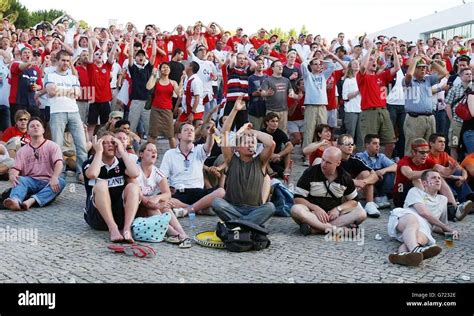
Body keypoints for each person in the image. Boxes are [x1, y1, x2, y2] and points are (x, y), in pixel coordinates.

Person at [212, 97, 276, 225]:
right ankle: (248, 224)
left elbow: (271, 143)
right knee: (216, 202)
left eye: (253, 142)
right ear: (237, 147)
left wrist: (251, 131)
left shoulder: (260, 162)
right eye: (247, 142)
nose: (251, 145)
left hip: (254, 209)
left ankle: (237, 223)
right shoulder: (231, 160)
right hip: (233, 208)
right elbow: (224, 134)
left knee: (270, 207)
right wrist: (235, 110)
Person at [387, 170, 458, 266]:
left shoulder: (443, 200)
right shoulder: (415, 191)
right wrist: (446, 228)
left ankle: (401, 256)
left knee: (419, 238)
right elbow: (423, 212)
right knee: (413, 222)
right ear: (424, 183)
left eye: (439, 178)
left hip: (425, 227)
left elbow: (439, 225)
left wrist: (450, 233)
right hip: (406, 218)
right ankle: (416, 249)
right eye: (433, 178)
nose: (438, 180)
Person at [291, 146, 367, 235]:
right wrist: (316, 208)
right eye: (323, 160)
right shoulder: (310, 172)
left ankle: (315, 229)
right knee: (296, 209)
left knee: (361, 213)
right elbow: (297, 199)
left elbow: (354, 201)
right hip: (312, 214)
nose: (323, 164)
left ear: (338, 163)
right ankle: (336, 230)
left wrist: (338, 209)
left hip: (333, 216)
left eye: (328, 162)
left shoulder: (345, 177)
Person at [82, 132, 141, 242]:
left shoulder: (121, 163)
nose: (110, 145)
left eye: (113, 142)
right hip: (97, 216)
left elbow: (135, 173)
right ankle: (113, 228)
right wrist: (98, 151)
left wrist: (122, 150)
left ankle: (126, 228)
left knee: (133, 187)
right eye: (105, 143)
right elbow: (93, 174)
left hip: (120, 216)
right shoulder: (89, 163)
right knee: (101, 184)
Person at [160, 122, 225, 217]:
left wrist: (210, 134)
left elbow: (209, 146)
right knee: (161, 199)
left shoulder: (199, 150)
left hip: (198, 193)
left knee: (221, 192)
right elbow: (162, 176)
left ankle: (187, 209)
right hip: (179, 192)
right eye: (186, 130)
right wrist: (168, 189)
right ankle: (198, 209)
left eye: (192, 130)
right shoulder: (170, 153)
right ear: (179, 135)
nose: (189, 132)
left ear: (194, 135)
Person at [135, 142, 192, 248]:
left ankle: (182, 233)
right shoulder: (135, 171)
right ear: (141, 154)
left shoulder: (157, 172)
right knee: (154, 207)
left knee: (164, 204)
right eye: (150, 150)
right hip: (136, 206)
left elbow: (167, 193)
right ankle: (174, 234)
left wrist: (158, 197)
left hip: (150, 204)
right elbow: (140, 197)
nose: (153, 153)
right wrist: (156, 204)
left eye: (155, 151)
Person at [3, 117, 66, 211]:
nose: (35, 127)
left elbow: (59, 163)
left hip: (48, 181)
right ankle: (15, 201)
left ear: (43, 130)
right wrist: (13, 175)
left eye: (38, 125)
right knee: (19, 179)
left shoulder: (53, 146)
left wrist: (55, 177)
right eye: (32, 126)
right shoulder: (22, 151)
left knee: (61, 182)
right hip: (30, 181)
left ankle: (31, 201)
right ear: (28, 132)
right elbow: (15, 168)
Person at [45, 50, 88, 183]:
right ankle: (59, 173)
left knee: (81, 145)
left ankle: (82, 173)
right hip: (57, 112)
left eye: (68, 61)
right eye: (63, 60)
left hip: (74, 112)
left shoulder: (73, 77)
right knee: (57, 146)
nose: (65, 63)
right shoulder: (50, 75)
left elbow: (78, 94)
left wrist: (61, 91)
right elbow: (51, 92)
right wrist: (70, 91)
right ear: (57, 61)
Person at [402, 55, 448, 155]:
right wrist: (414, 60)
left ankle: (428, 168)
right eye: (420, 67)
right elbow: (409, 74)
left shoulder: (428, 80)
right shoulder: (408, 81)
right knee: (413, 147)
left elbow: (444, 72)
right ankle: (409, 169)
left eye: (424, 67)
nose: (423, 69)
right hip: (415, 119)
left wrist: (430, 61)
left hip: (430, 118)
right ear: (415, 69)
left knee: (430, 148)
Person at [337, 134, 382, 218]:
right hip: (336, 191)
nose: (350, 146)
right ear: (339, 146)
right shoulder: (334, 158)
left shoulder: (355, 159)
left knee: (366, 173)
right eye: (347, 144)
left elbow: (374, 175)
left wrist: (364, 182)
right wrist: (354, 182)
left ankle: (369, 204)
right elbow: (334, 178)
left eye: (352, 144)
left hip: (351, 191)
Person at [146, 62, 184, 148]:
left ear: (170, 70)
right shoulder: (156, 81)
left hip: (167, 110)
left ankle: (174, 154)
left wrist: (182, 80)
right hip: (155, 110)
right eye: (163, 67)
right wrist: (153, 75)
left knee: (170, 135)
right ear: (160, 70)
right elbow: (148, 87)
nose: (165, 69)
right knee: (153, 135)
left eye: (167, 67)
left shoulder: (173, 82)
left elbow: (178, 93)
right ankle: (149, 151)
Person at [428, 133, 473, 203]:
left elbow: (462, 169)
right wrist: (455, 177)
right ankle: (455, 201)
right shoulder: (427, 156)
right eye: (440, 142)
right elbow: (438, 174)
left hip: (446, 179)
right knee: (445, 175)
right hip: (432, 183)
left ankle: (468, 199)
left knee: (458, 172)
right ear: (431, 144)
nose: (443, 144)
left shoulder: (444, 155)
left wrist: (463, 178)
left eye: (444, 142)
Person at [355, 134, 397, 208]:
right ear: (367, 145)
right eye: (374, 143)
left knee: (390, 172)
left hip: (379, 183)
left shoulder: (381, 156)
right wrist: (374, 173)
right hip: (365, 183)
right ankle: (376, 199)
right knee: (366, 173)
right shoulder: (359, 156)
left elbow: (396, 166)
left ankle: (381, 197)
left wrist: (383, 170)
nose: (378, 146)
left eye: (378, 143)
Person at [260, 112, 293, 179]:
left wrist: (279, 155)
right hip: (266, 157)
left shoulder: (280, 133)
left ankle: (286, 170)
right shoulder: (262, 133)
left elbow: (290, 145)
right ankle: (269, 170)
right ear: (267, 122)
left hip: (277, 157)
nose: (275, 123)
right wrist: (271, 155)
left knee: (288, 151)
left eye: (276, 121)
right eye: (272, 121)